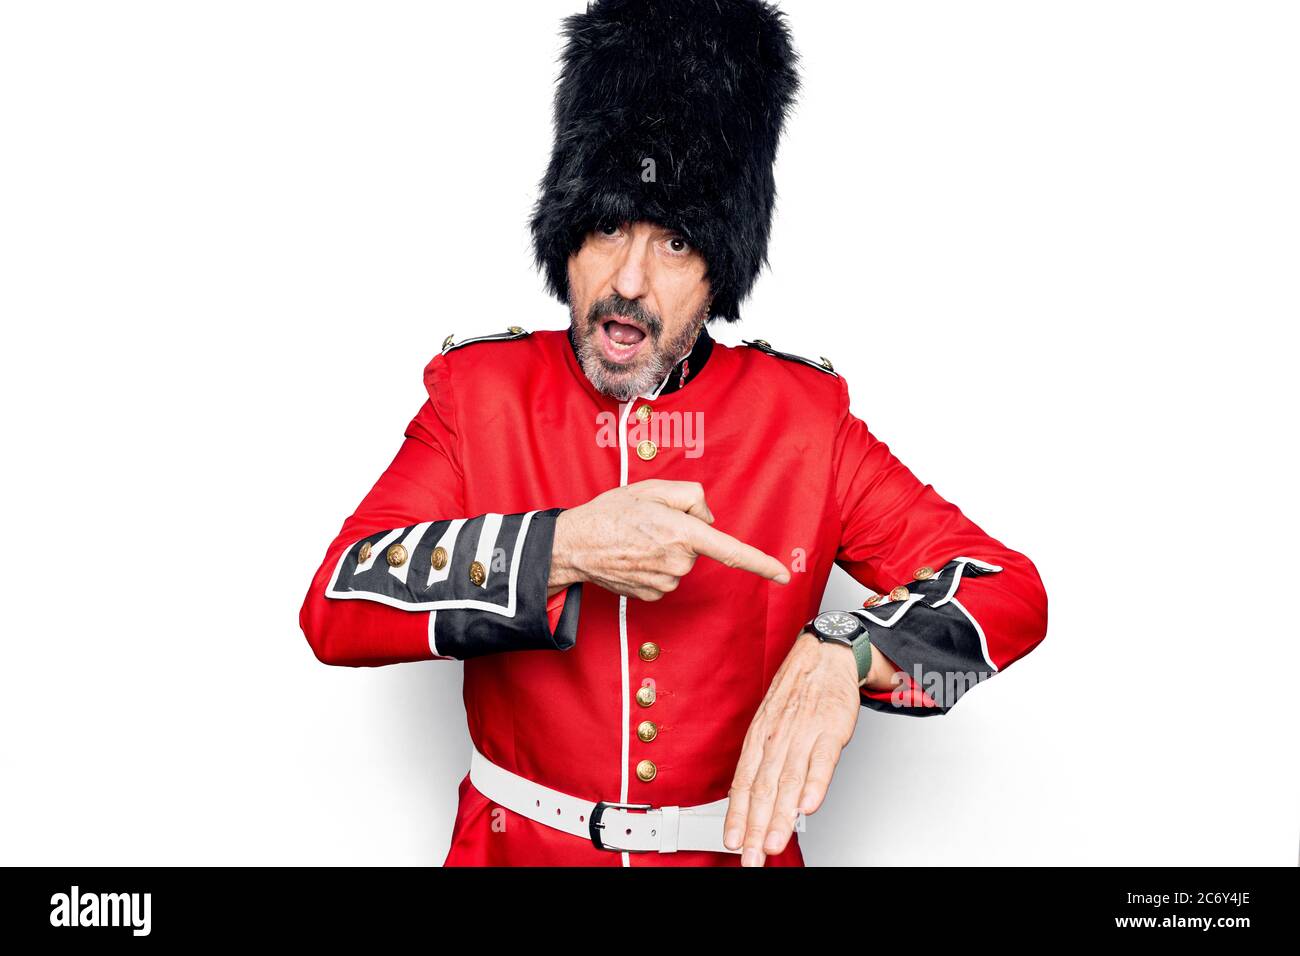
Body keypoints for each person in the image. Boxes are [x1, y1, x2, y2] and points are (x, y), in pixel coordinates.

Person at [299, 0, 1048, 867]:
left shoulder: (804, 420)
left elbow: (1012, 597)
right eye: (609, 225)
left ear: (720, 266)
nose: (628, 279)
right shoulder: (480, 395)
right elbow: (333, 611)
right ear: (566, 232)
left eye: (677, 242)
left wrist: (853, 650)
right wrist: (563, 547)